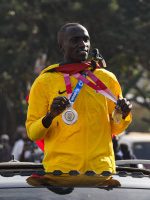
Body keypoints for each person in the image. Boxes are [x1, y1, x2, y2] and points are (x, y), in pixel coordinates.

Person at [26, 23, 132, 173]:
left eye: (86, 39)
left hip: (101, 172)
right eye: (75, 40)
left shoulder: (106, 78)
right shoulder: (44, 81)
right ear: (61, 46)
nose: (83, 44)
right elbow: (32, 132)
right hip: (61, 173)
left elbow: (115, 128)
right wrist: (50, 116)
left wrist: (124, 113)